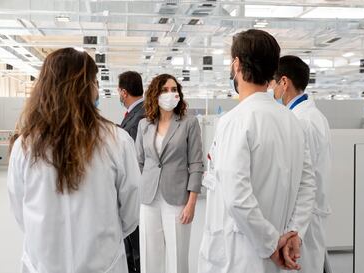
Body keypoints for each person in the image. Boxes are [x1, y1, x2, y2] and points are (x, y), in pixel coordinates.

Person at [7, 48, 140, 273]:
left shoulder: (25, 145)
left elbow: (20, 210)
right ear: (85, 87)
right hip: (103, 262)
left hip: (44, 262)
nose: (97, 89)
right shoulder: (117, 140)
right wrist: (107, 234)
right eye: (94, 81)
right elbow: (130, 210)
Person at [197, 29, 316, 273]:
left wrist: (271, 245)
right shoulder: (292, 120)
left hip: (238, 256)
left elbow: (237, 197)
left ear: (237, 64)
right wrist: (294, 234)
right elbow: (308, 185)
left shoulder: (235, 121)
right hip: (276, 252)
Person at [135, 74, 204, 273]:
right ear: (155, 95)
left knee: (177, 257)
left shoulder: (189, 123)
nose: (170, 94)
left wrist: (191, 202)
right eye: (165, 90)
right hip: (149, 199)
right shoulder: (144, 125)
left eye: (174, 90)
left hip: (177, 199)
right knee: (149, 257)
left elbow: (196, 164)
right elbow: (139, 161)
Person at [271, 55, 332, 273]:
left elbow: (303, 180)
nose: (272, 89)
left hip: (304, 220)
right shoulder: (311, 116)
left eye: (273, 82)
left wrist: (293, 229)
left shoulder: (302, 121)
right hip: (309, 216)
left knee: (302, 267)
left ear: (284, 82)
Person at [118, 70, 145, 273]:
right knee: (130, 247)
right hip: (131, 190)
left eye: (119, 91)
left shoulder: (139, 117)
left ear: (124, 92)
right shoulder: (134, 114)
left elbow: (135, 160)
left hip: (135, 191)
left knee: (136, 248)